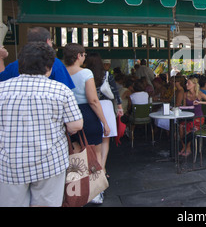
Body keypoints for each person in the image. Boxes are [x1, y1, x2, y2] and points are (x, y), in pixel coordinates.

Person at [0, 42, 83, 207]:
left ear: (20, 64)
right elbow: (76, 125)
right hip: (50, 163)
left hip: (9, 164)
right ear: (48, 66)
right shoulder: (60, 90)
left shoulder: (1, 89)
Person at [63, 43, 110, 205]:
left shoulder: (60, 72)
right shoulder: (86, 73)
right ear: (78, 56)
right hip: (87, 115)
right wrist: (105, 122)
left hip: (67, 115)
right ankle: (96, 192)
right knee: (95, 155)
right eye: (83, 55)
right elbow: (93, 100)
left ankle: (76, 193)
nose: (84, 57)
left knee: (75, 156)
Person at [85, 52, 124, 178]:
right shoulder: (106, 74)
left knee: (93, 139)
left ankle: (96, 167)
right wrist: (119, 107)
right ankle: (102, 167)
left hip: (90, 106)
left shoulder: (85, 74)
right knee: (105, 139)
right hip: (106, 106)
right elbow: (115, 92)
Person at [0, 27, 75, 89]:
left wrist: (1, 58)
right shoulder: (55, 63)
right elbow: (66, 89)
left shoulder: (15, 64)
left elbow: (2, 80)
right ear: (48, 41)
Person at [179, 77, 206, 156]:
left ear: (194, 85)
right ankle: (184, 147)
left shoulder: (199, 94)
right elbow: (185, 106)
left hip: (198, 118)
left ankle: (188, 148)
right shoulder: (185, 94)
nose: (186, 85)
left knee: (188, 127)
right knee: (180, 126)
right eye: (186, 83)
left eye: (189, 83)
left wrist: (200, 102)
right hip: (188, 116)